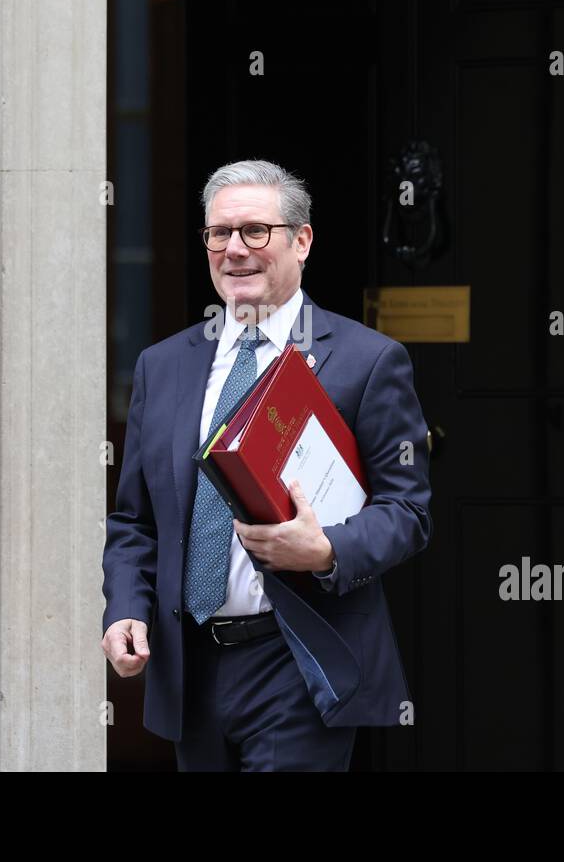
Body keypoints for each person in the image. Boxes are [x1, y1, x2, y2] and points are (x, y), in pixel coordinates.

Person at [101, 159, 433, 771]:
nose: (235, 250)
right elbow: (134, 522)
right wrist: (125, 607)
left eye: (256, 231)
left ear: (301, 241)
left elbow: (407, 512)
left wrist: (327, 551)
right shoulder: (163, 366)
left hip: (297, 661)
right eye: (219, 234)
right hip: (190, 669)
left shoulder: (367, 361)